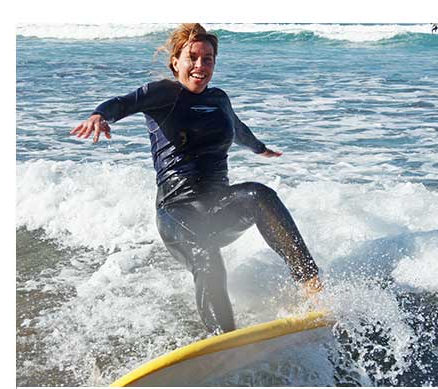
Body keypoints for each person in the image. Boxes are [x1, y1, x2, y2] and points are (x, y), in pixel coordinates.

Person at [70, 23, 323, 334]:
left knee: (261, 195)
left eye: (208, 59)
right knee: (206, 254)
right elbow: (122, 104)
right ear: (176, 61)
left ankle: (314, 292)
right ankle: (223, 341)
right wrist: (99, 115)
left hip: (219, 209)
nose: (201, 66)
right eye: (193, 57)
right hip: (177, 212)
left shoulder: (219, 99)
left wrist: (260, 148)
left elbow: (238, 129)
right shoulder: (162, 93)